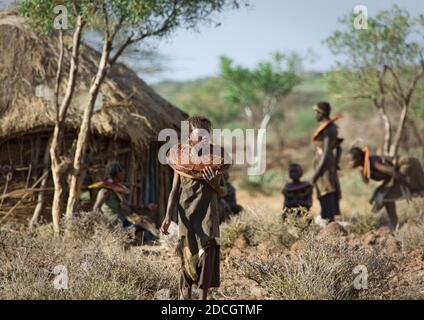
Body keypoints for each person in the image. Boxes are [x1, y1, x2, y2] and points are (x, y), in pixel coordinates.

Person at [160, 116, 226, 300]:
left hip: (208, 216)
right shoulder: (180, 159)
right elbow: (174, 190)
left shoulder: (215, 160)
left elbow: (222, 190)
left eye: (207, 136)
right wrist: (167, 217)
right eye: (200, 136)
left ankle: (203, 299)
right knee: (187, 257)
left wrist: (214, 183)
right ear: (190, 136)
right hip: (186, 216)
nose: (204, 140)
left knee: (207, 255)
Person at [348, 147, 424, 231]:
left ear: (358, 158)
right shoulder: (365, 166)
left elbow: (392, 172)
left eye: (351, 160)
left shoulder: (373, 163)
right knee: (383, 195)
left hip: (407, 164)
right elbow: (369, 181)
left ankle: (393, 224)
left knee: (386, 195)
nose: (349, 163)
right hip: (403, 168)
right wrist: (377, 191)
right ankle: (393, 224)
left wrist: (408, 186)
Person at [92, 162, 157, 242]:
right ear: (117, 173)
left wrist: (145, 206)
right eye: (122, 171)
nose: (124, 173)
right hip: (113, 224)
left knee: (145, 222)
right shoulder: (105, 191)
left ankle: (157, 238)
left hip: (122, 221)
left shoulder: (117, 190)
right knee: (136, 229)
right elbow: (95, 208)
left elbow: (128, 206)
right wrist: (103, 225)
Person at [311, 102, 343, 223]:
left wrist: (315, 174)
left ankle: (329, 221)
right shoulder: (329, 127)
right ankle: (328, 220)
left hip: (324, 164)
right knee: (325, 189)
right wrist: (336, 161)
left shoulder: (328, 128)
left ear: (321, 113)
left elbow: (325, 152)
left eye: (316, 112)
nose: (315, 115)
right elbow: (339, 147)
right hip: (325, 163)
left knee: (327, 190)